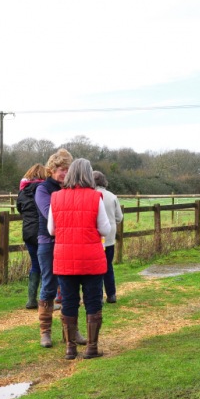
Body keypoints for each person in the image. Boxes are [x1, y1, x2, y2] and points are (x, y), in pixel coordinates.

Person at [49, 158, 111, 360]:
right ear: (88, 174)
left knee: (69, 301)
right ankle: (92, 348)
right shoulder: (95, 197)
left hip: (65, 257)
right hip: (91, 257)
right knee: (93, 300)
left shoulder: (56, 197)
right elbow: (105, 229)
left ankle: (70, 348)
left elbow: (51, 230)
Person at [34, 148, 86, 348]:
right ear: (52, 170)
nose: (65, 173)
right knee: (49, 284)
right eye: (61, 169)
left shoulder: (73, 188)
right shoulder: (43, 189)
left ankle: (71, 331)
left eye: (67, 169)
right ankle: (45, 332)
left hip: (70, 242)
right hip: (48, 242)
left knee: (70, 287)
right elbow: (50, 214)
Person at [17, 163, 46, 309]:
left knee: (35, 264)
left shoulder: (23, 191)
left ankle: (31, 300)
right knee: (46, 265)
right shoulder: (44, 189)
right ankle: (45, 299)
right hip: (42, 231)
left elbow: (19, 209)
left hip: (28, 232)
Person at [93, 170, 124, 303]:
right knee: (108, 266)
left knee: (96, 268)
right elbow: (119, 217)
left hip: (95, 237)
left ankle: (98, 296)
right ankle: (111, 294)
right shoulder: (112, 196)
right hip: (109, 238)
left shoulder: (91, 196)